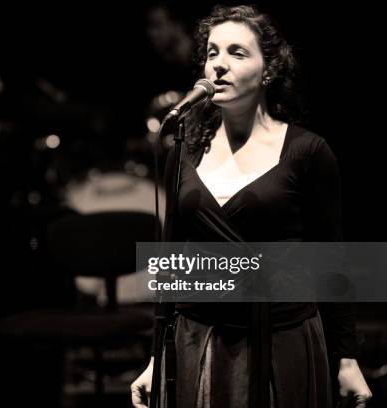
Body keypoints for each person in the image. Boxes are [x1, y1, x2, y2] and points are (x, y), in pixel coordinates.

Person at [131, 5, 371, 408]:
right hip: (199, 338)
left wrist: (346, 360)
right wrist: (158, 357)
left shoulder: (307, 151)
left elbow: (331, 258)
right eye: (211, 53)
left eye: (237, 53)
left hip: (282, 336)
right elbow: (176, 259)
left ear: (269, 70)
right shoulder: (184, 151)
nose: (218, 65)